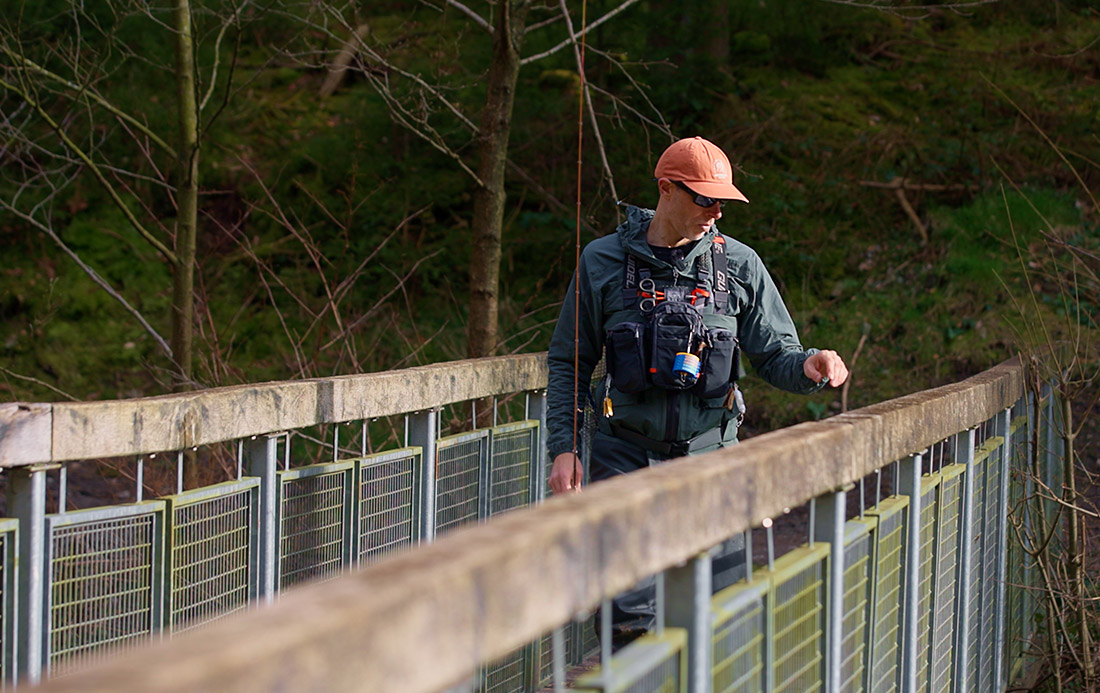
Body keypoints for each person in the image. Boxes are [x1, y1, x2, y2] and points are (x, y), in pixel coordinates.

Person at [544, 136, 849, 640]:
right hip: (624, 463)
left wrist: (811, 365)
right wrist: (565, 448)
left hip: (714, 462)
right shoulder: (601, 261)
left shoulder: (741, 265)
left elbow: (775, 357)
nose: (716, 213)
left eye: (722, 201)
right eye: (705, 198)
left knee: (721, 621)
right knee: (627, 626)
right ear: (666, 189)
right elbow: (569, 363)